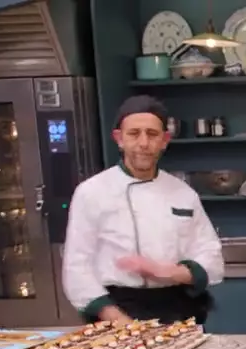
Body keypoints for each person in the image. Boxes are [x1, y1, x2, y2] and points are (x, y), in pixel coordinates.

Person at [62, 95, 223, 325]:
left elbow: (211, 257)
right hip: (117, 311)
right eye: (134, 133)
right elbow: (77, 267)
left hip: (178, 311)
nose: (144, 143)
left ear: (165, 140)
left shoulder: (183, 193)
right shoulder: (91, 192)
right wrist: (118, 321)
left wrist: (168, 272)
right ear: (119, 139)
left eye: (152, 134)